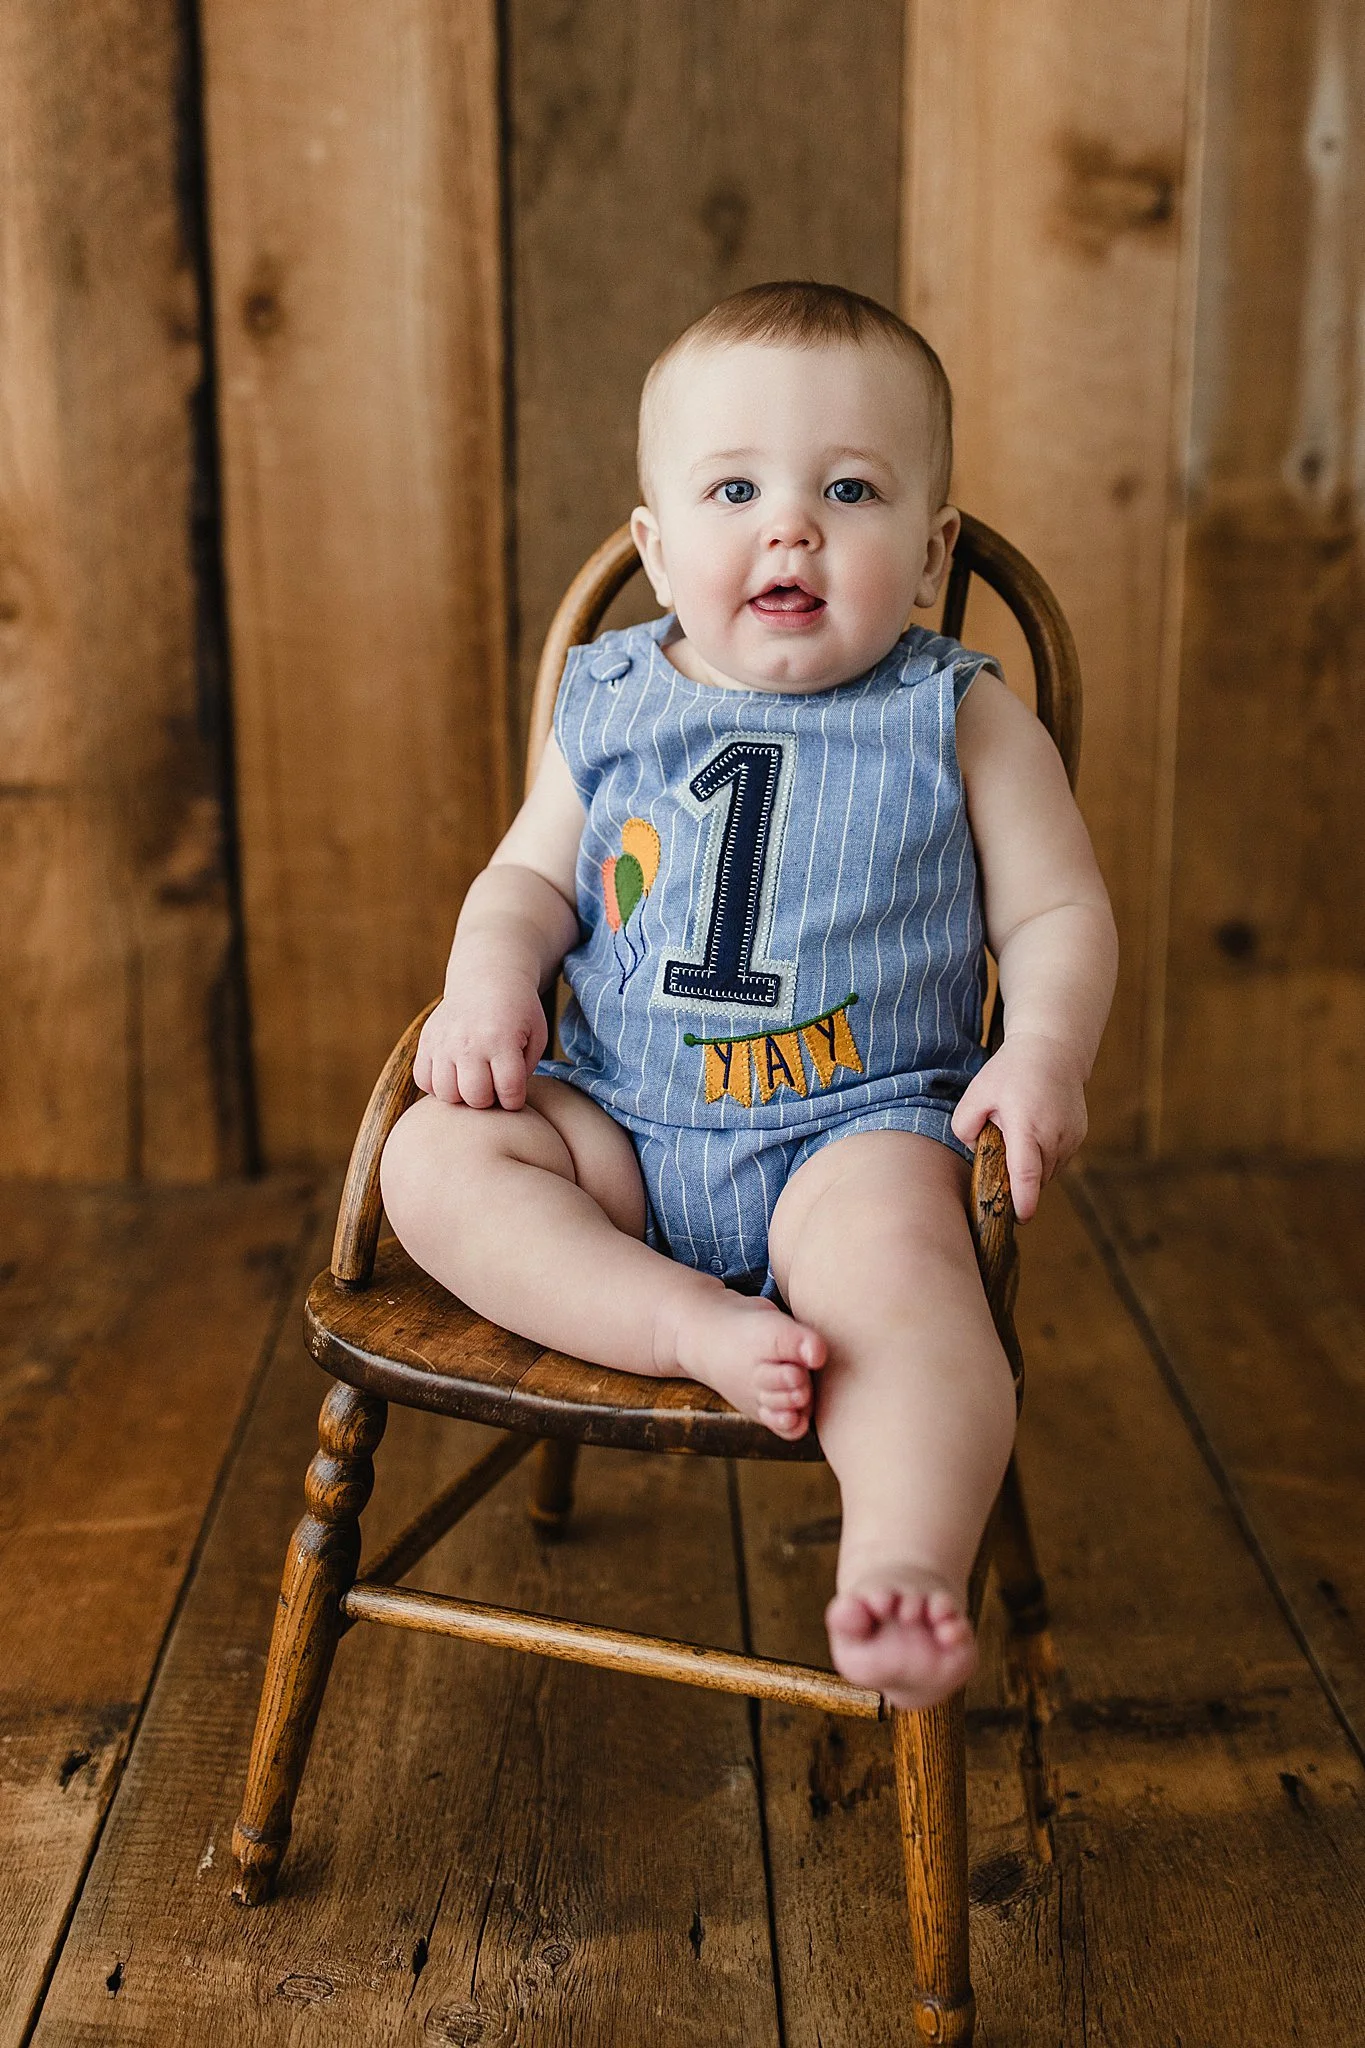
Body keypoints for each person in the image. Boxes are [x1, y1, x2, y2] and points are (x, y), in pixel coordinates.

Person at [380, 281, 1117, 1711]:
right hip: (616, 1128)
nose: (792, 529)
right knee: (434, 1162)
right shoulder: (611, 699)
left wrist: (1042, 1051)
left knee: (914, 1296)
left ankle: (899, 1561)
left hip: (852, 1139)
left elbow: (1057, 912)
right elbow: (527, 881)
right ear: (657, 546)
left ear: (931, 551)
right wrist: (488, 980)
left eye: (850, 489)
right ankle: (682, 1326)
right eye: (735, 491)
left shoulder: (957, 712)